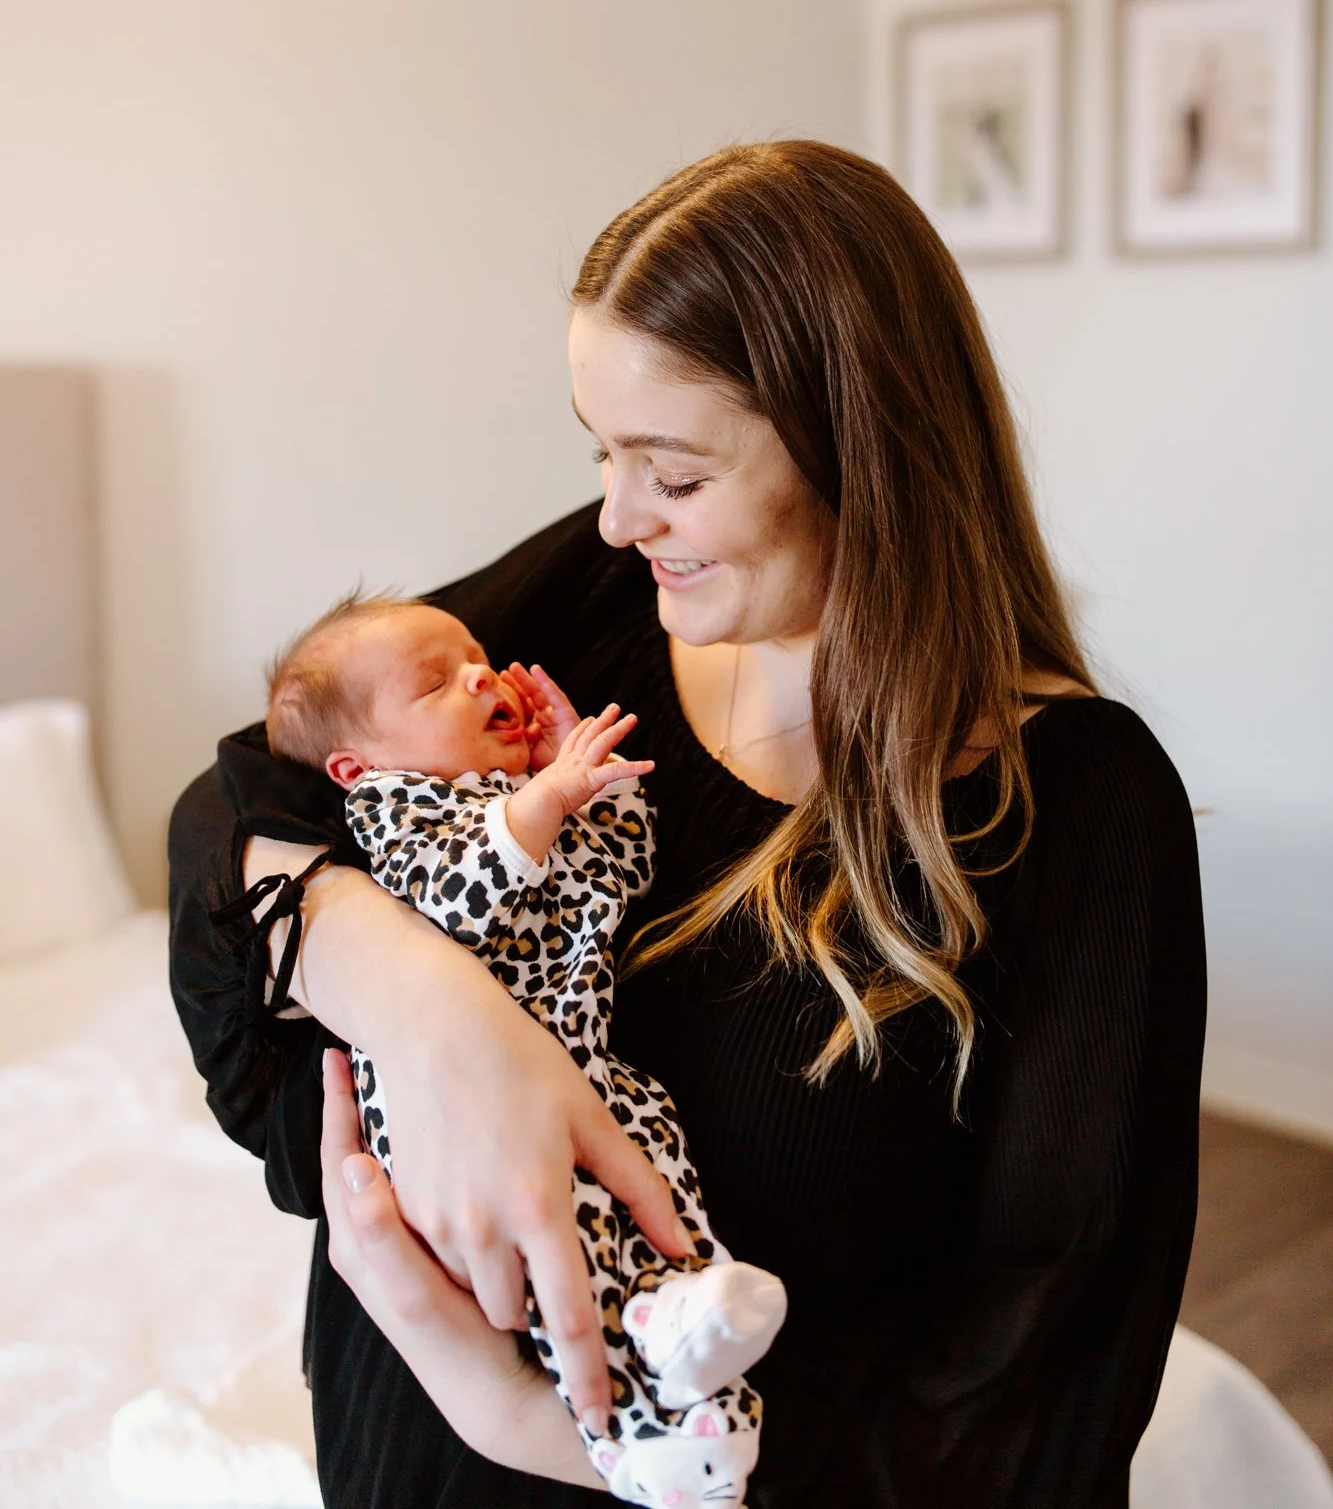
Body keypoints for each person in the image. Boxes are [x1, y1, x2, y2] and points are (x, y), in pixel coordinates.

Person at [169, 140, 1206, 1508]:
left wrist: (518, 1418)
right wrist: (429, 1008)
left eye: (672, 471)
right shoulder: (596, 619)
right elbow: (252, 789)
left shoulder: (1078, 807)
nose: (615, 517)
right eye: (601, 453)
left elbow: (1026, 1406)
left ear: (863, 448)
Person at [259, 592, 784, 1497]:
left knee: (651, 1168)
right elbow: (458, 893)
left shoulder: (519, 797)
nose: (478, 674)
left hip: (585, 1063)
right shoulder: (395, 812)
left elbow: (622, 872)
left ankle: (681, 1317)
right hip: (460, 1099)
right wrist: (546, 795)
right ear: (356, 764)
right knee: (556, 1225)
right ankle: (621, 1421)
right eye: (434, 682)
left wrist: (594, 781)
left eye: (476, 654)